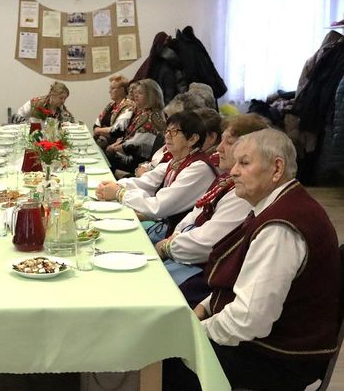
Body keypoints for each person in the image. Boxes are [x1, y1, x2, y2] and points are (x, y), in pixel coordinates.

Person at [164, 128, 341, 390]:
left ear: (277, 169)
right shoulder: (278, 206)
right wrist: (204, 308)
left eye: (244, 163)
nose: (233, 171)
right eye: (235, 163)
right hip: (268, 343)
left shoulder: (280, 227)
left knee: (164, 357)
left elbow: (249, 320)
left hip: (277, 358)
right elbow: (242, 284)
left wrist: (196, 333)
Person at [155, 114, 269, 307]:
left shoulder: (245, 194)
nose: (219, 148)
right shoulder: (227, 180)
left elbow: (208, 244)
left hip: (204, 272)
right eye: (221, 140)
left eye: (229, 142)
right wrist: (174, 237)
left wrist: (168, 246)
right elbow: (195, 213)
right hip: (185, 252)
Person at [97, 111, 217, 238]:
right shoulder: (178, 161)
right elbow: (146, 181)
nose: (167, 136)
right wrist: (114, 185)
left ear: (192, 139)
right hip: (164, 227)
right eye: (167, 131)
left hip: (177, 237)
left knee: (115, 234)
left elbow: (158, 206)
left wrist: (119, 193)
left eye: (174, 132)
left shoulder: (199, 169)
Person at [105, 79, 167, 174]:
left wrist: (114, 148)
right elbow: (129, 137)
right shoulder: (145, 113)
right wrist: (117, 145)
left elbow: (135, 146)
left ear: (150, 96)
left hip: (139, 163)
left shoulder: (151, 116)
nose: (136, 96)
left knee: (106, 159)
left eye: (140, 93)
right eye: (136, 93)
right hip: (133, 157)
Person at [93, 74, 135, 149]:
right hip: (103, 141)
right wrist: (100, 131)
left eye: (112, 88)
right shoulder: (111, 105)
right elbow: (96, 124)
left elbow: (116, 131)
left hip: (114, 146)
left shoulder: (129, 106)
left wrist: (98, 131)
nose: (109, 91)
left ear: (122, 90)